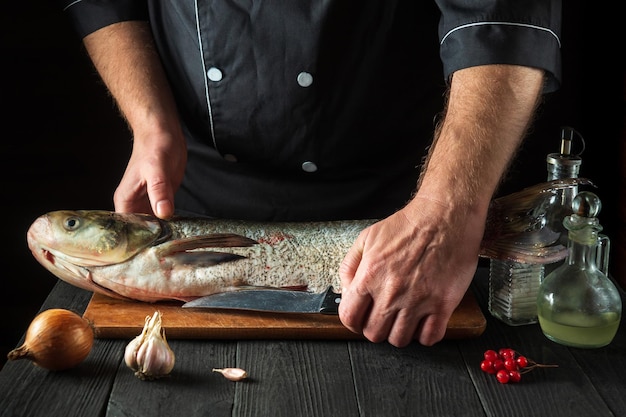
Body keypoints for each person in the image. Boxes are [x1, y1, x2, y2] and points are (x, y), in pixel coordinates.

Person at [58, 0, 561, 347]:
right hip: (196, 196)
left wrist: (447, 211)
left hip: (405, 210)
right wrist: (149, 123)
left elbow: (502, 18)